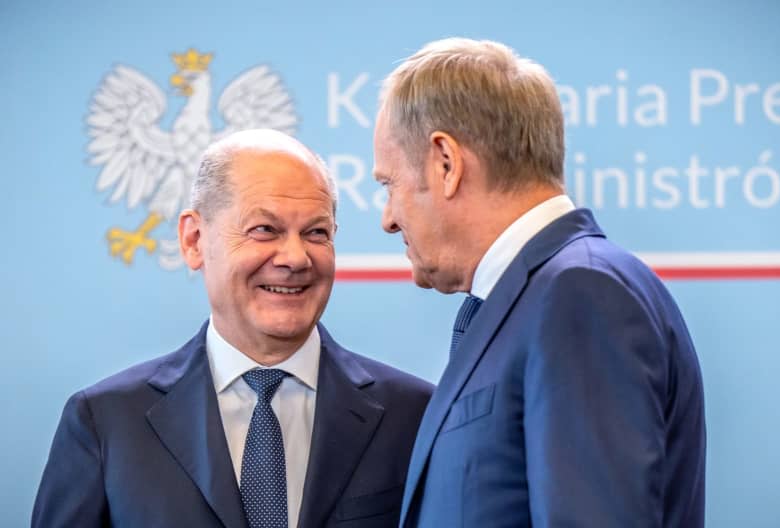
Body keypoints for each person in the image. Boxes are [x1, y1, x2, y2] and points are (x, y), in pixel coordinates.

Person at [373, 38, 706, 527]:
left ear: (446, 162)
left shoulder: (581, 295)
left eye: (389, 185)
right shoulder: (537, 296)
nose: (388, 218)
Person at [33, 129, 433, 528]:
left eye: (316, 233)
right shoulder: (106, 421)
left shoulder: (415, 414)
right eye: (265, 229)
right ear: (193, 240)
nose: (295, 258)